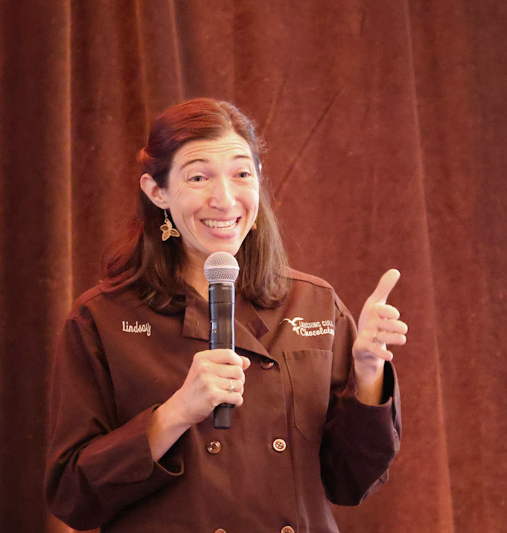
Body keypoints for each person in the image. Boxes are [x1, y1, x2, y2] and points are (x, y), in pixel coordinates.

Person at [44, 98, 407, 532]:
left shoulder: (314, 304)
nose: (224, 198)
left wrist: (368, 375)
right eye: (199, 177)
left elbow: (352, 480)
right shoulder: (100, 320)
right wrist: (176, 412)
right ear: (157, 191)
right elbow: (72, 496)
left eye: (241, 174)